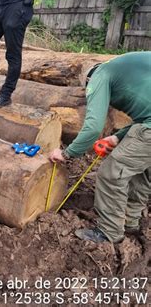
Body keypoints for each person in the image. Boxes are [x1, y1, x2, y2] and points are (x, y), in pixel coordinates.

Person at [49, 52, 151, 244]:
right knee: (141, 172)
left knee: (111, 173)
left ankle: (109, 232)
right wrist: (118, 136)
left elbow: (93, 128)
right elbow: (145, 114)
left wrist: (66, 153)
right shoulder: (126, 66)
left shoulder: (99, 75)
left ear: (88, 80)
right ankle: (130, 222)